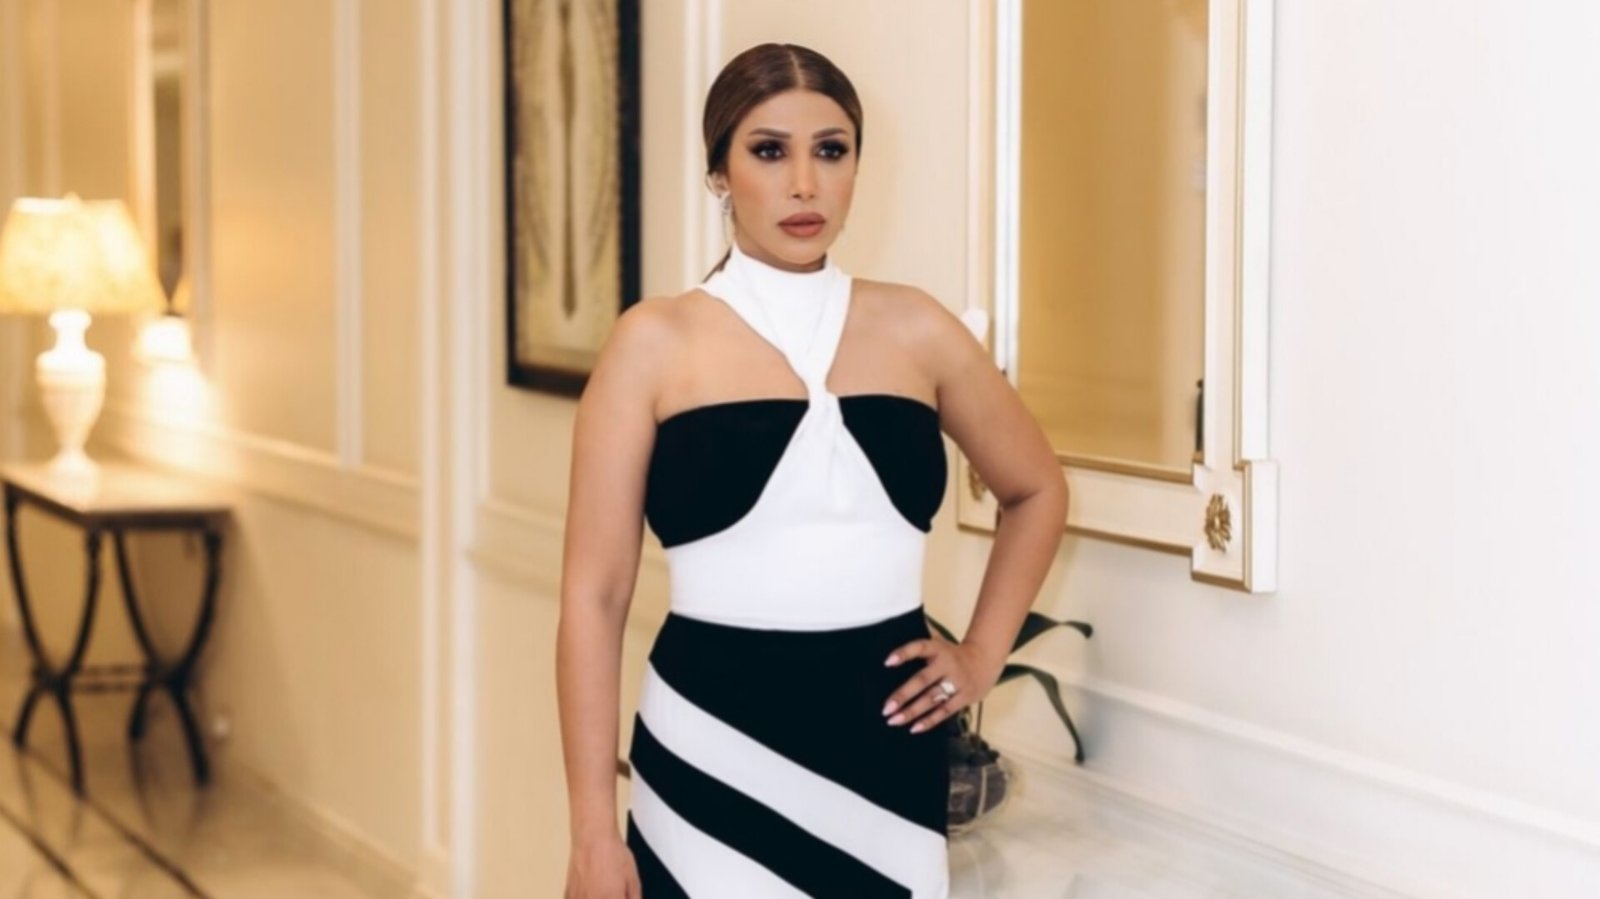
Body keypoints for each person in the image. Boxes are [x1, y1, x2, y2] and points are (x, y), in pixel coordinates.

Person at [558, 41, 1068, 899]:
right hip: (707, 759)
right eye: (769, 150)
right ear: (719, 173)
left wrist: (982, 654)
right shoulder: (653, 342)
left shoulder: (918, 330)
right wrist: (590, 836)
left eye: (831, 150)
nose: (804, 183)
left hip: (887, 764)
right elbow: (593, 595)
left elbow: (1037, 488)